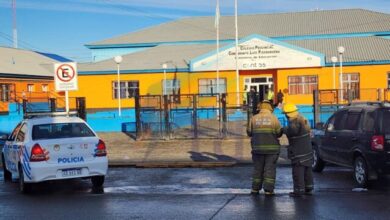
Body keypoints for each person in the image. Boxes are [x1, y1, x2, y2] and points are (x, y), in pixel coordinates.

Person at [247, 100, 283, 196]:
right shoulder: (274, 118)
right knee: (269, 170)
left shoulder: (253, 118)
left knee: (258, 169)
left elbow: (249, 132)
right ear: (270, 108)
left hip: (257, 149)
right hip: (272, 151)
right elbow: (279, 133)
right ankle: (268, 190)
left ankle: (255, 189)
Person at [282, 103, 314, 197]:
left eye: (285, 114)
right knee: (307, 170)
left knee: (298, 172)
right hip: (307, 150)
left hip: (299, 152)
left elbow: (292, 132)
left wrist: (283, 130)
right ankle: (309, 188)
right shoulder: (303, 118)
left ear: (288, 114)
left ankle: (298, 190)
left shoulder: (294, 121)